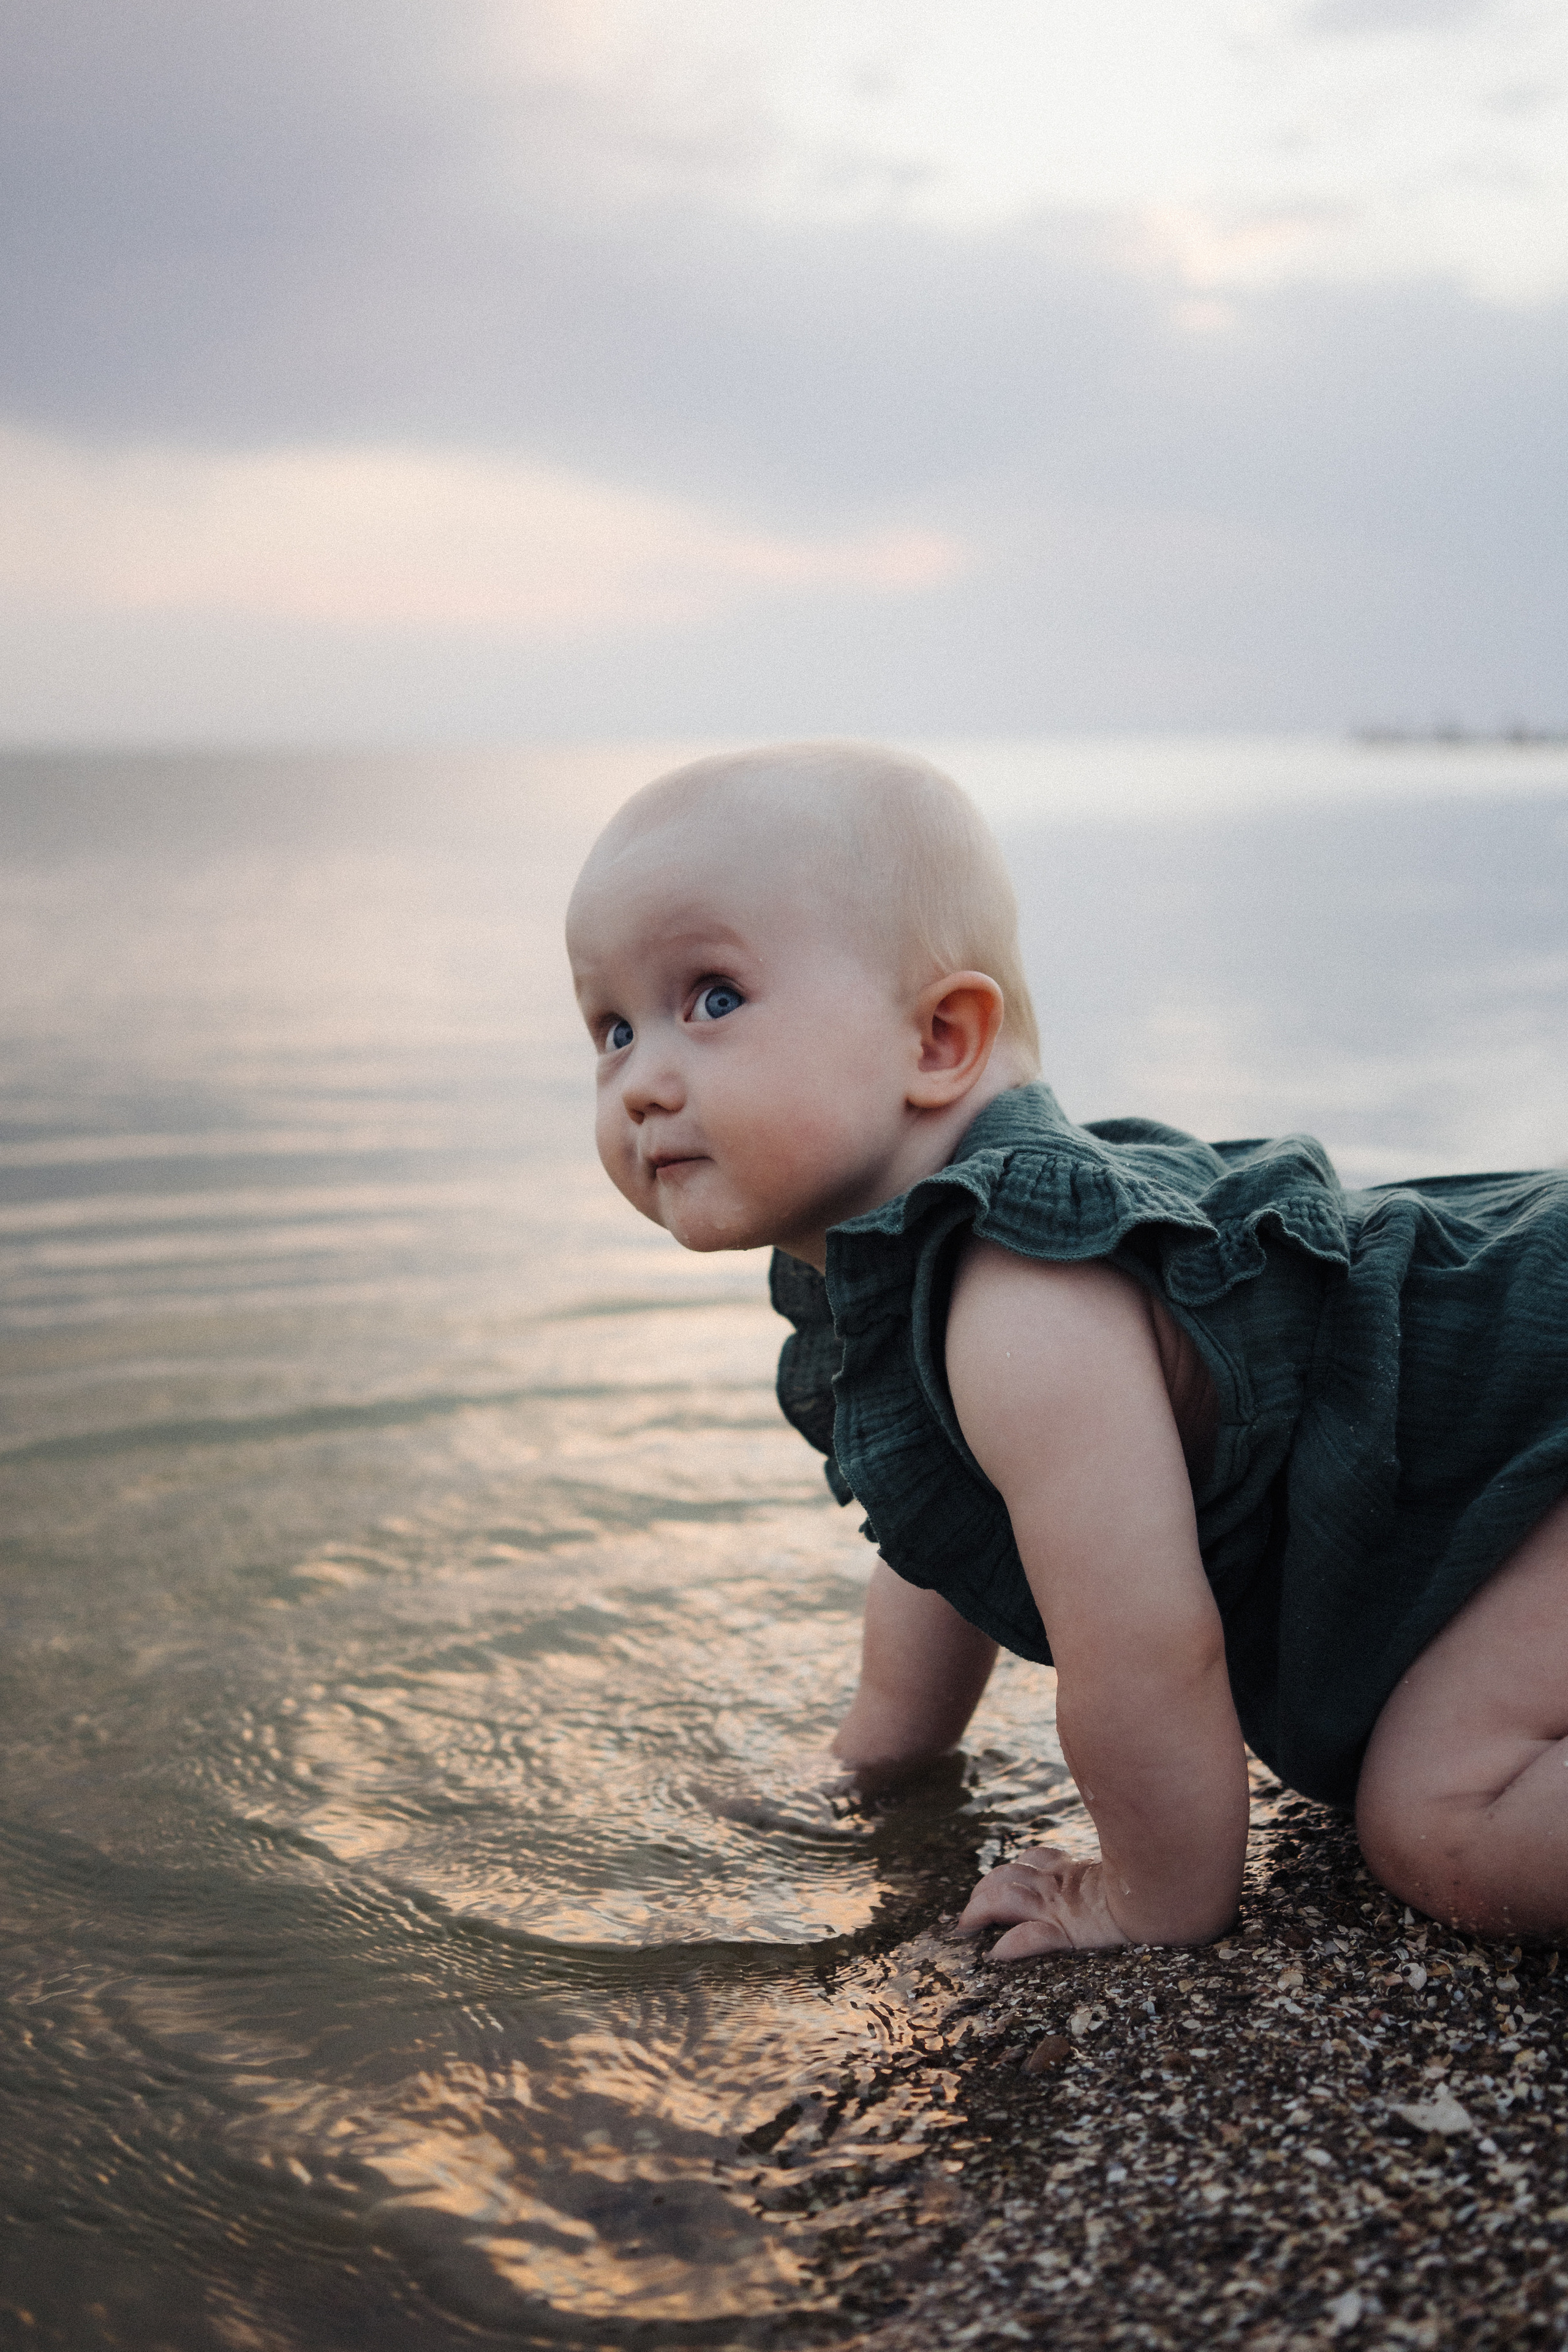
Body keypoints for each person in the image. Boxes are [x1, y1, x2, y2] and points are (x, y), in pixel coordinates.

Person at [565, 741, 1568, 1953]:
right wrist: (878, 1760)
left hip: (1538, 1408)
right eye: (611, 1029)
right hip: (1512, 1461)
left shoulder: (1021, 1295)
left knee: (1440, 1822)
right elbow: (935, 1537)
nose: (639, 1084)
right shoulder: (917, 1278)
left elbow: (1144, 1647)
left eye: (710, 999)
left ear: (937, 1039)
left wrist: (1147, 1897)